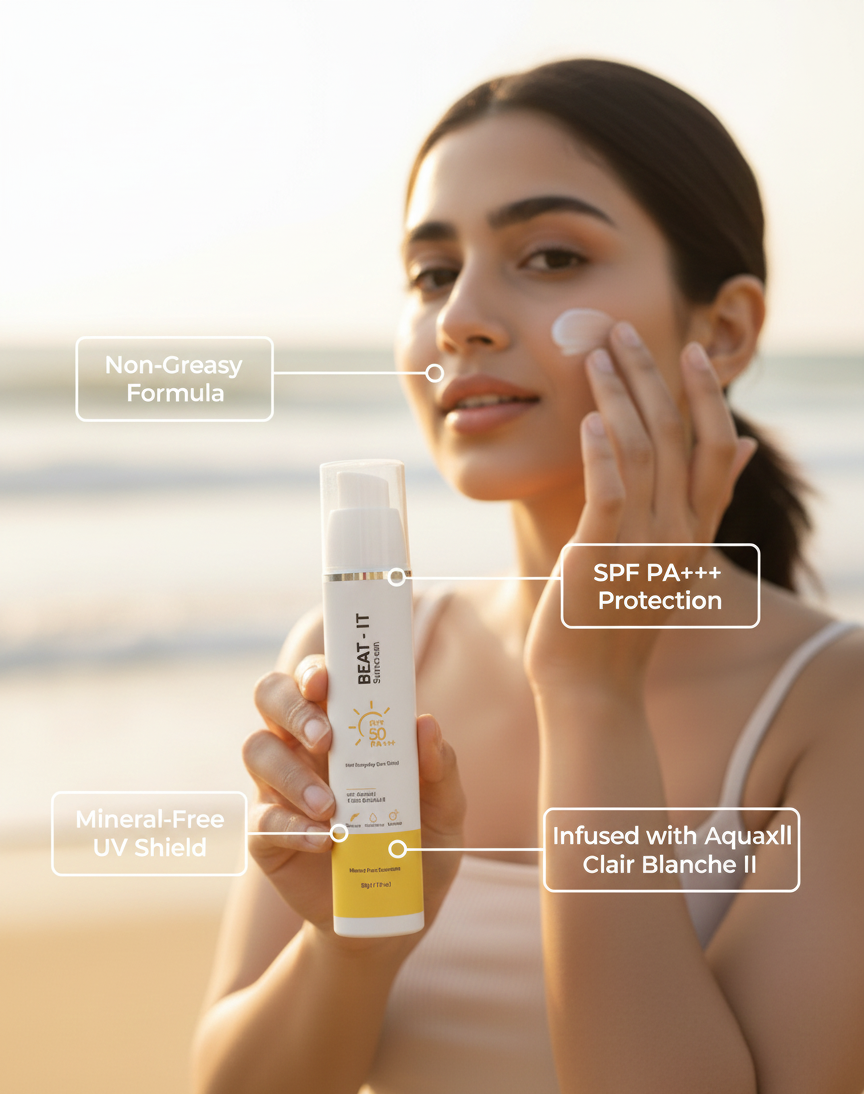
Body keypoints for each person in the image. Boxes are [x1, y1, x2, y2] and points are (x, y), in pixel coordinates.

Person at [192, 60, 864, 1093]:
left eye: (550, 255)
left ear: (722, 329)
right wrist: (353, 945)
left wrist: (591, 692)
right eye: (430, 273)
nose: (460, 317)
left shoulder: (833, 706)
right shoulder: (368, 654)